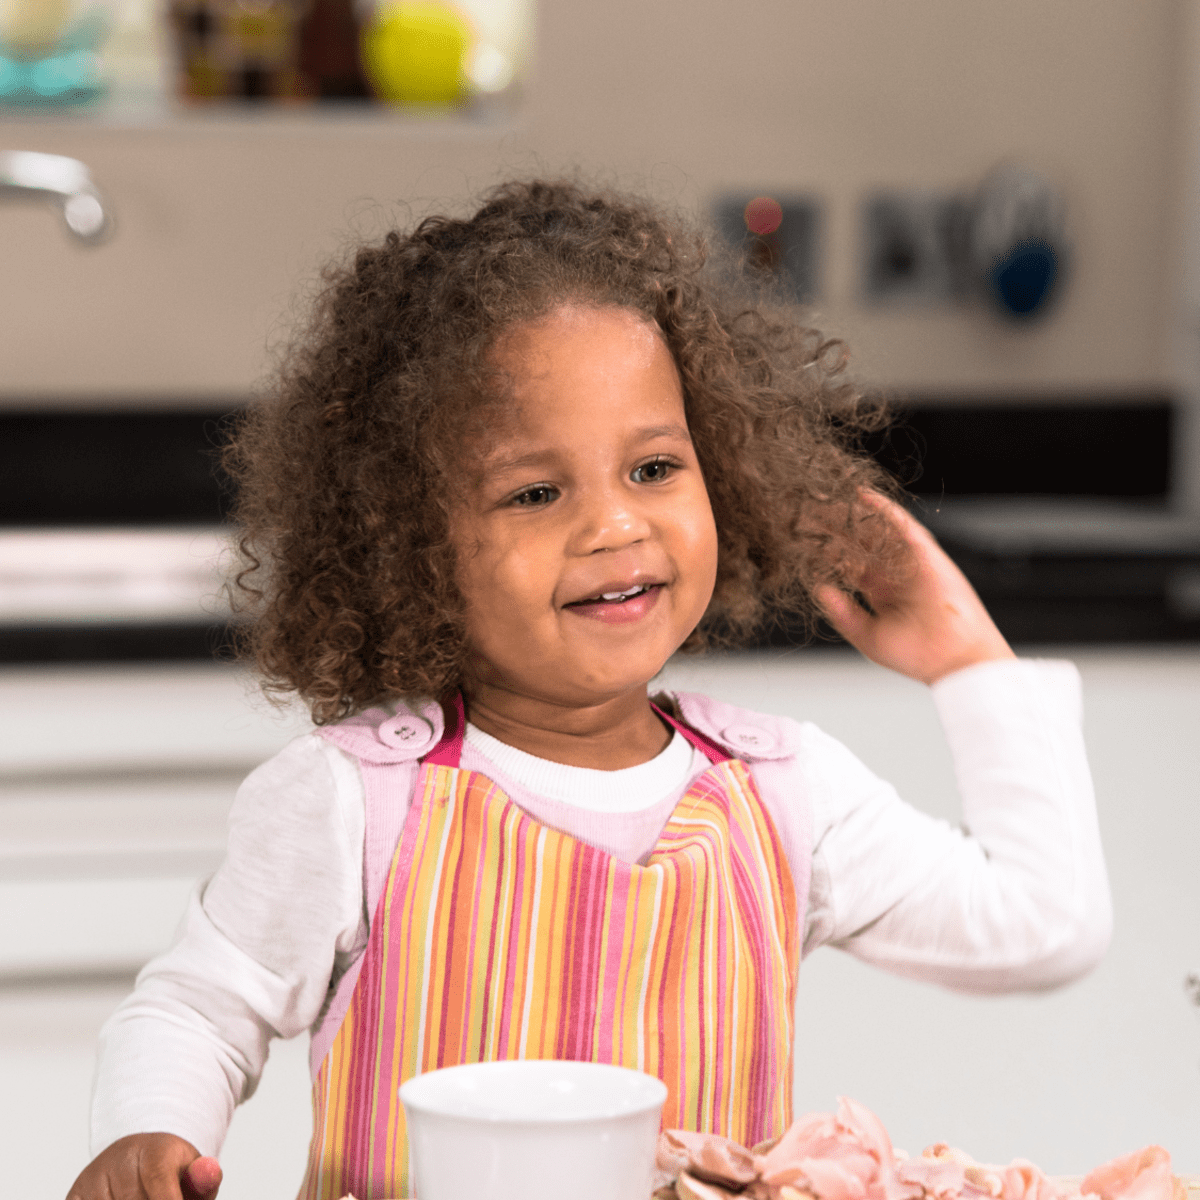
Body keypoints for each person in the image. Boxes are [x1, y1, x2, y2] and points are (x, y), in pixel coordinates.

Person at [67, 179, 1111, 1200]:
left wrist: (971, 662)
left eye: (655, 468)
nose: (616, 526)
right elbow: (197, 1011)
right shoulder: (353, 803)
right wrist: (147, 1133)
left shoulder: (786, 794)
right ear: (412, 543)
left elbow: (1044, 924)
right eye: (536, 491)